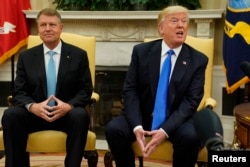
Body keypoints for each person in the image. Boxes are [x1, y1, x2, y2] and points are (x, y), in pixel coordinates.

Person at [105, 5, 208, 167]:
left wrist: (165, 130)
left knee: (190, 137)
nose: (181, 25)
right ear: (161, 28)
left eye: (184, 21)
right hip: (144, 116)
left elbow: (191, 101)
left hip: (177, 120)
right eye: (174, 21)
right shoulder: (142, 52)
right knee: (114, 129)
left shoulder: (198, 60)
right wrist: (137, 126)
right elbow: (130, 90)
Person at [1, 8, 93, 167]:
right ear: (38, 29)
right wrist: (33, 107)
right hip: (35, 115)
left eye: (52, 24)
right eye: (43, 25)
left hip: (66, 115)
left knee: (80, 115)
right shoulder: (26, 57)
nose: (48, 29)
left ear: (61, 28)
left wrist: (69, 106)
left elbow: (85, 89)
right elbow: (19, 91)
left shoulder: (78, 55)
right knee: (11, 115)